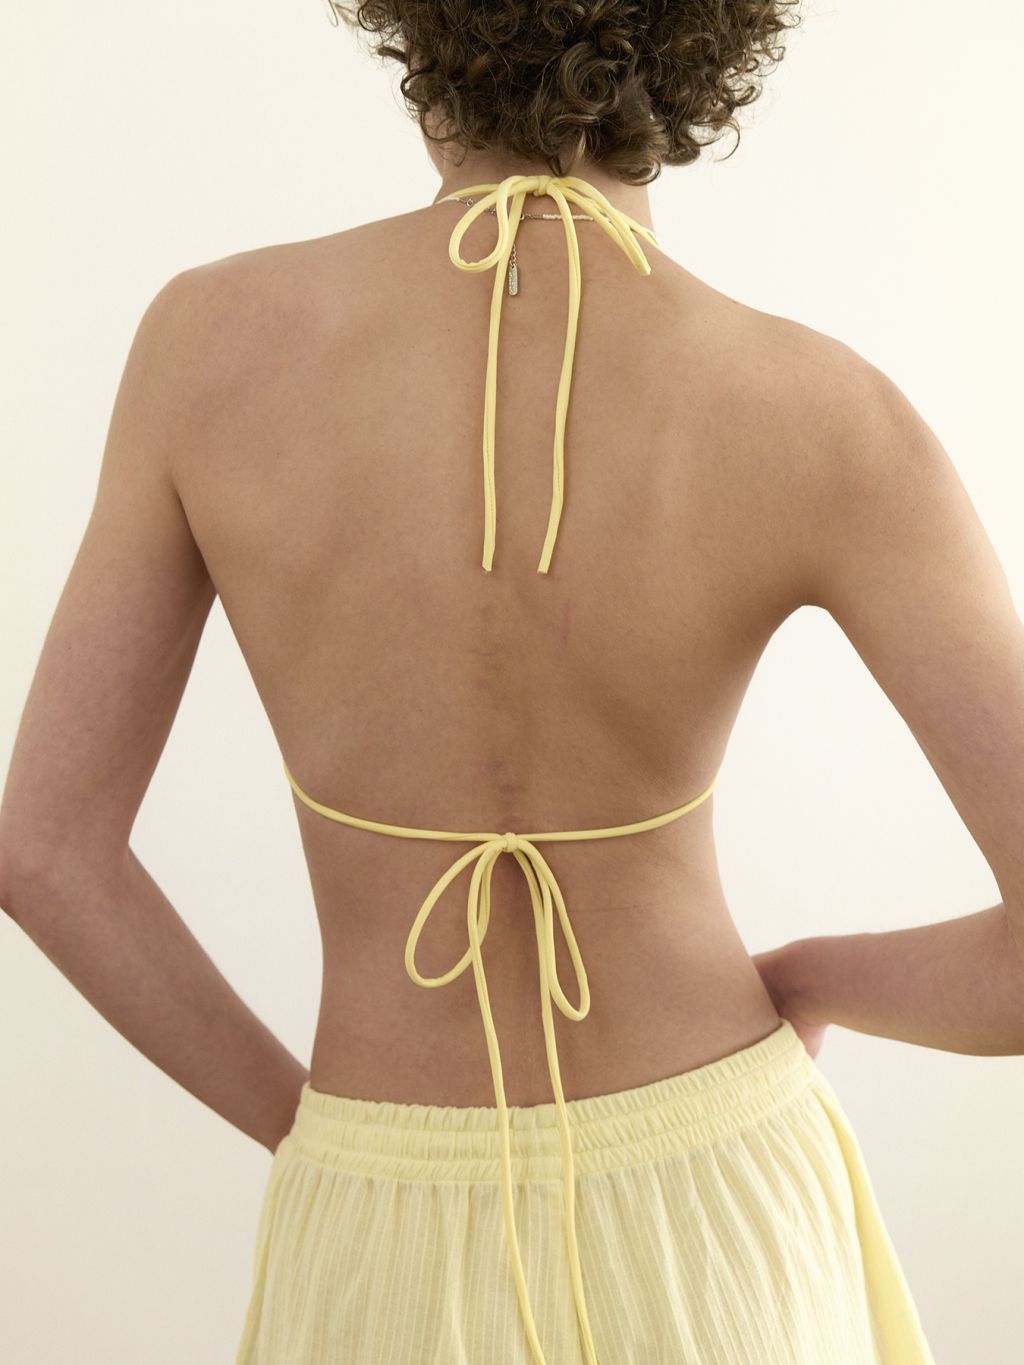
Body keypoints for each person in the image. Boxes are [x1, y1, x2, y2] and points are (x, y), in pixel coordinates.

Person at [2, 2, 1022, 1362]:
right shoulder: (822, 409)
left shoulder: (207, 345)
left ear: (422, 36)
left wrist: (318, 1133)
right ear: (702, 54)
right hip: (716, 1197)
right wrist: (810, 981)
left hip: (370, 1213)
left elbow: (47, 850)